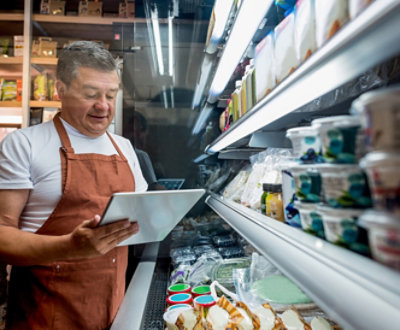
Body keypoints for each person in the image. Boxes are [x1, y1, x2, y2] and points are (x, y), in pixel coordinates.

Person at [0, 40, 148, 329]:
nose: (103, 106)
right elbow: (2, 236)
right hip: (46, 316)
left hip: (114, 311)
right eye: (91, 94)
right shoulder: (25, 144)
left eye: (111, 94)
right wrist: (69, 247)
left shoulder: (125, 148)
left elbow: (139, 218)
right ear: (61, 90)